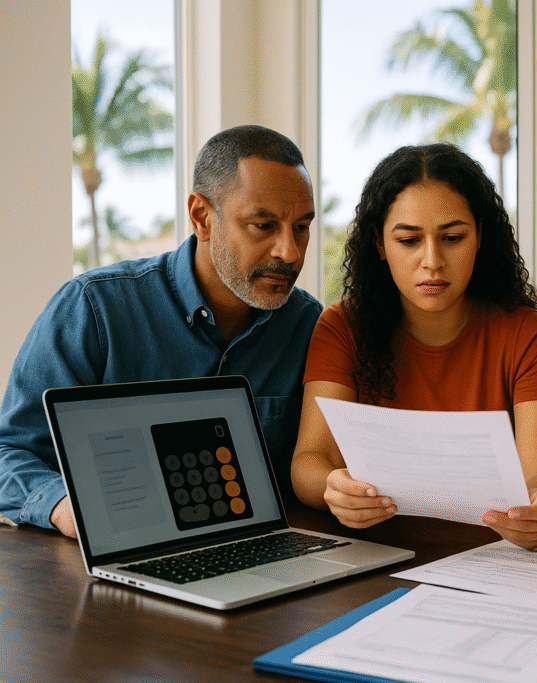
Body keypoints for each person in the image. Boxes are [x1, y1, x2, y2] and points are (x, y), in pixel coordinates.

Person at [0, 124, 322, 537]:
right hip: (113, 565)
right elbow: (10, 451)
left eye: (301, 227)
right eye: (264, 226)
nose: (290, 253)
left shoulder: (308, 326)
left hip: (261, 559)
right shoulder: (93, 308)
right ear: (202, 217)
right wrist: (67, 509)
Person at [291, 143, 537, 550]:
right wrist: (333, 488)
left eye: (453, 237)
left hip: (496, 559)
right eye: (408, 240)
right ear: (379, 244)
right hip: (373, 556)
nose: (432, 261)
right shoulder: (342, 327)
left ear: (480, 237)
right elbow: (309, 462)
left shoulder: (530, 336)